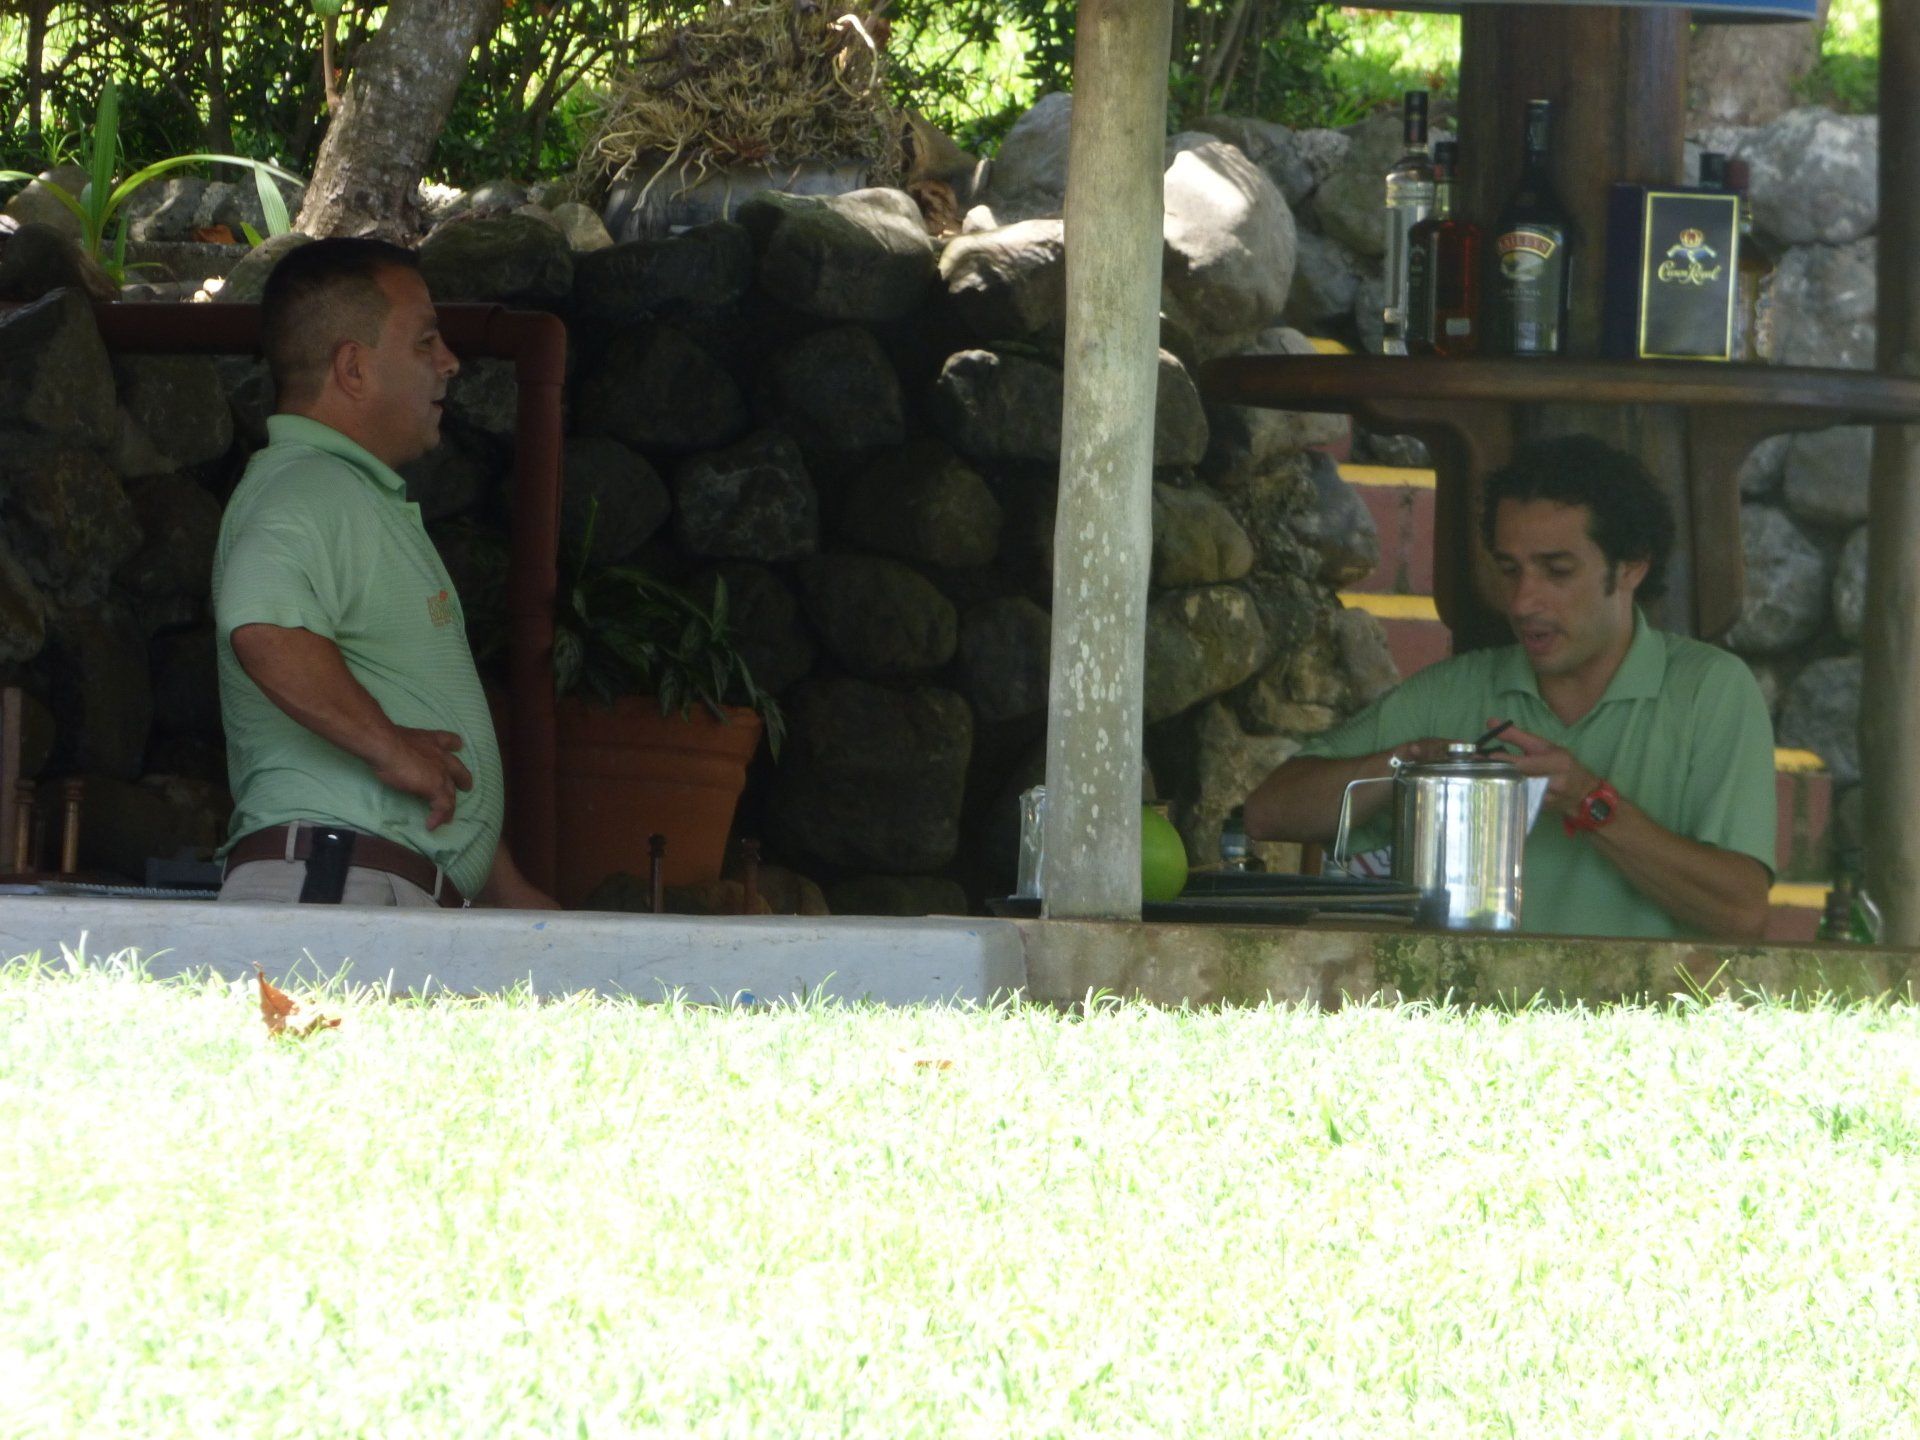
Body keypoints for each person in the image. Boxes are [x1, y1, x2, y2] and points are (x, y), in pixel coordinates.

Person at [1245, 435, 1775, 940]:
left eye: (1557, 571)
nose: (1523, 602)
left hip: (1648, 1024)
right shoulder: (1457, 690)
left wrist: (1589, 803)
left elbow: (1741, 912)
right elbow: (1268, 813)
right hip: (1471, 1020)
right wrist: (1406, 766)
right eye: (1510, 569)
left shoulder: (1710, 690)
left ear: (1631, 566)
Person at [212, 237, 556, 909]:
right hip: (337, 884)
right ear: (354, 369)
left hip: (358, 883)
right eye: (426, 341)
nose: (450, 362)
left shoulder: (345, 494)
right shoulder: (308, 488)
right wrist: (388, 746)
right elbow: (263, 626)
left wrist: (507, 889)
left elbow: (420, 718)